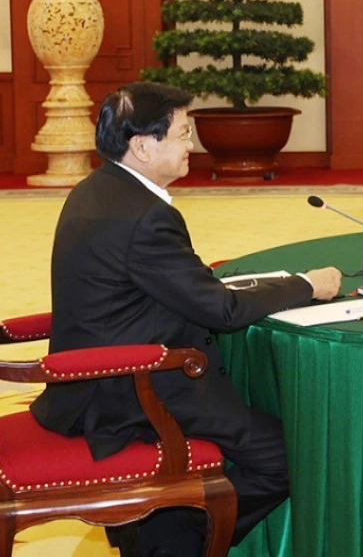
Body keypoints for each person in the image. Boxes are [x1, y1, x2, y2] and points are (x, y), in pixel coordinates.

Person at [31, 82, 342, 557]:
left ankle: (160, 532)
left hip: (96, 380)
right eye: (181, 134)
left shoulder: (97, 190)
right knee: (288, 453)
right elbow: (222, 311)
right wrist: (307, 285)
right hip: (133, 389)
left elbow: (160, 286)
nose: (191, 145)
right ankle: (184, 542)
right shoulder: (144, 217)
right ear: (142, 145)